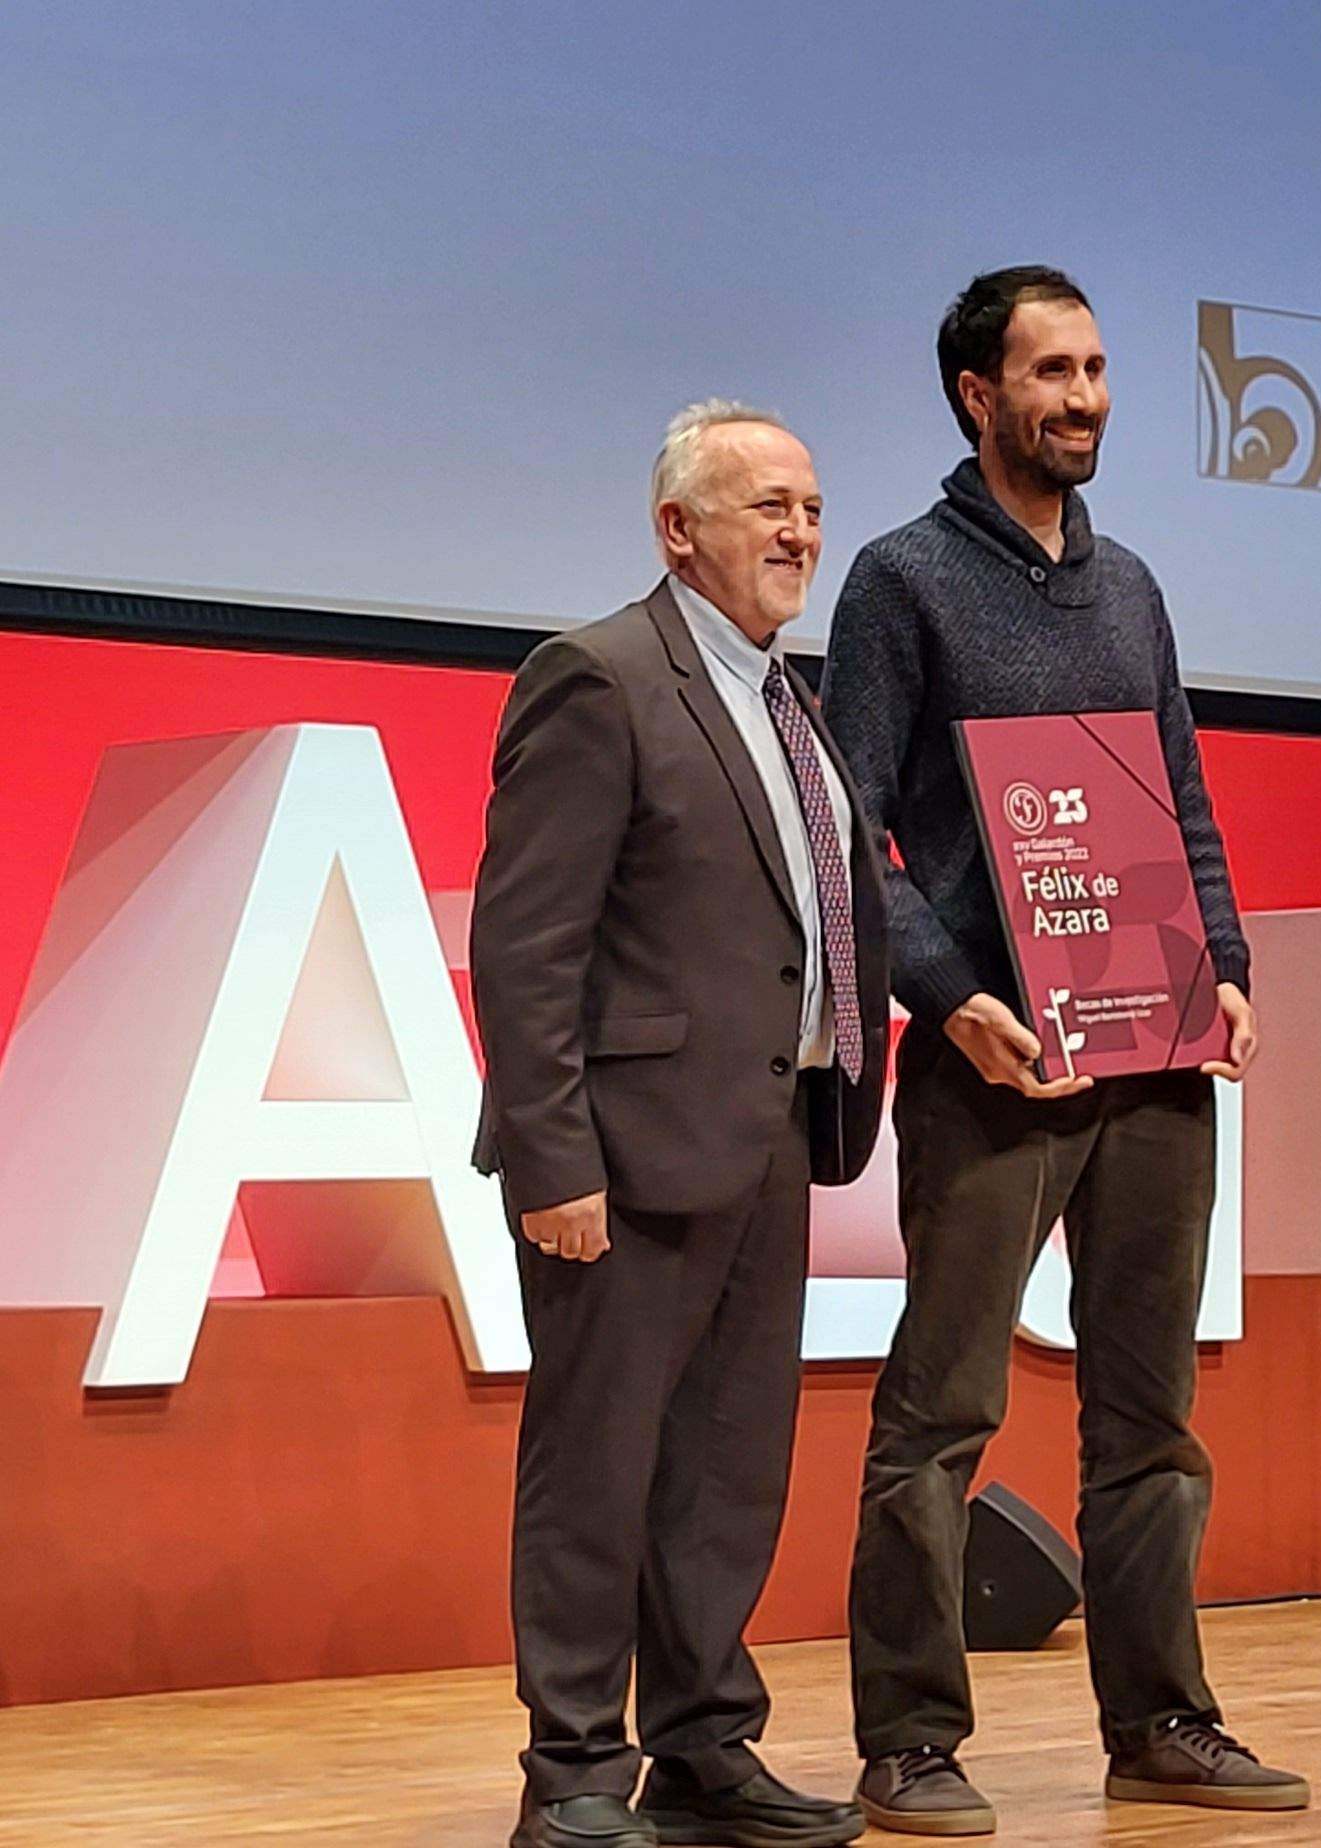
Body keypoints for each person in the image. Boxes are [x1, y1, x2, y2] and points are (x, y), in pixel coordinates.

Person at [823, 266, 1302, 1836]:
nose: (1085, 398)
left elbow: (1181, 799)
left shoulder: (1135, 587)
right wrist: (950, 992)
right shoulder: (901, 582)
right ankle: (907, 1740)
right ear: (979, 392)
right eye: (1054, 372)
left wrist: (1221, 964)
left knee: (1151, 1418)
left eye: (1097, 370)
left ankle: (1162, 1717)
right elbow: (848, 831)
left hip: (1157, 1062)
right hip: (997, 1071)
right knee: (942, 1414)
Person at [472, 400, 888, 1848]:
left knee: (726, 1464)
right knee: (597, 1466)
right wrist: (552, 1155)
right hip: (625, 1152)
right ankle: (576, 1772)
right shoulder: (597, 678)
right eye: (767, 505)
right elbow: (528, 950)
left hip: (767, 1132)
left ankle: (706, 1746)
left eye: (812, 509)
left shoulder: (790, 701)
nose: (799, 534)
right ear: (678, 529)